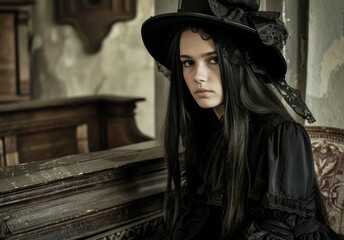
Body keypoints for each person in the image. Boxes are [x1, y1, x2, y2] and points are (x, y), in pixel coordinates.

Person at [141, 0, 341, 239]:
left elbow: (276, 233)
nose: (198, 76)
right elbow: (199, 218)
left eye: (213, 59)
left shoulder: (281, 135)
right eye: (188, 63)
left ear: (239, 62)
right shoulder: (211, 130)